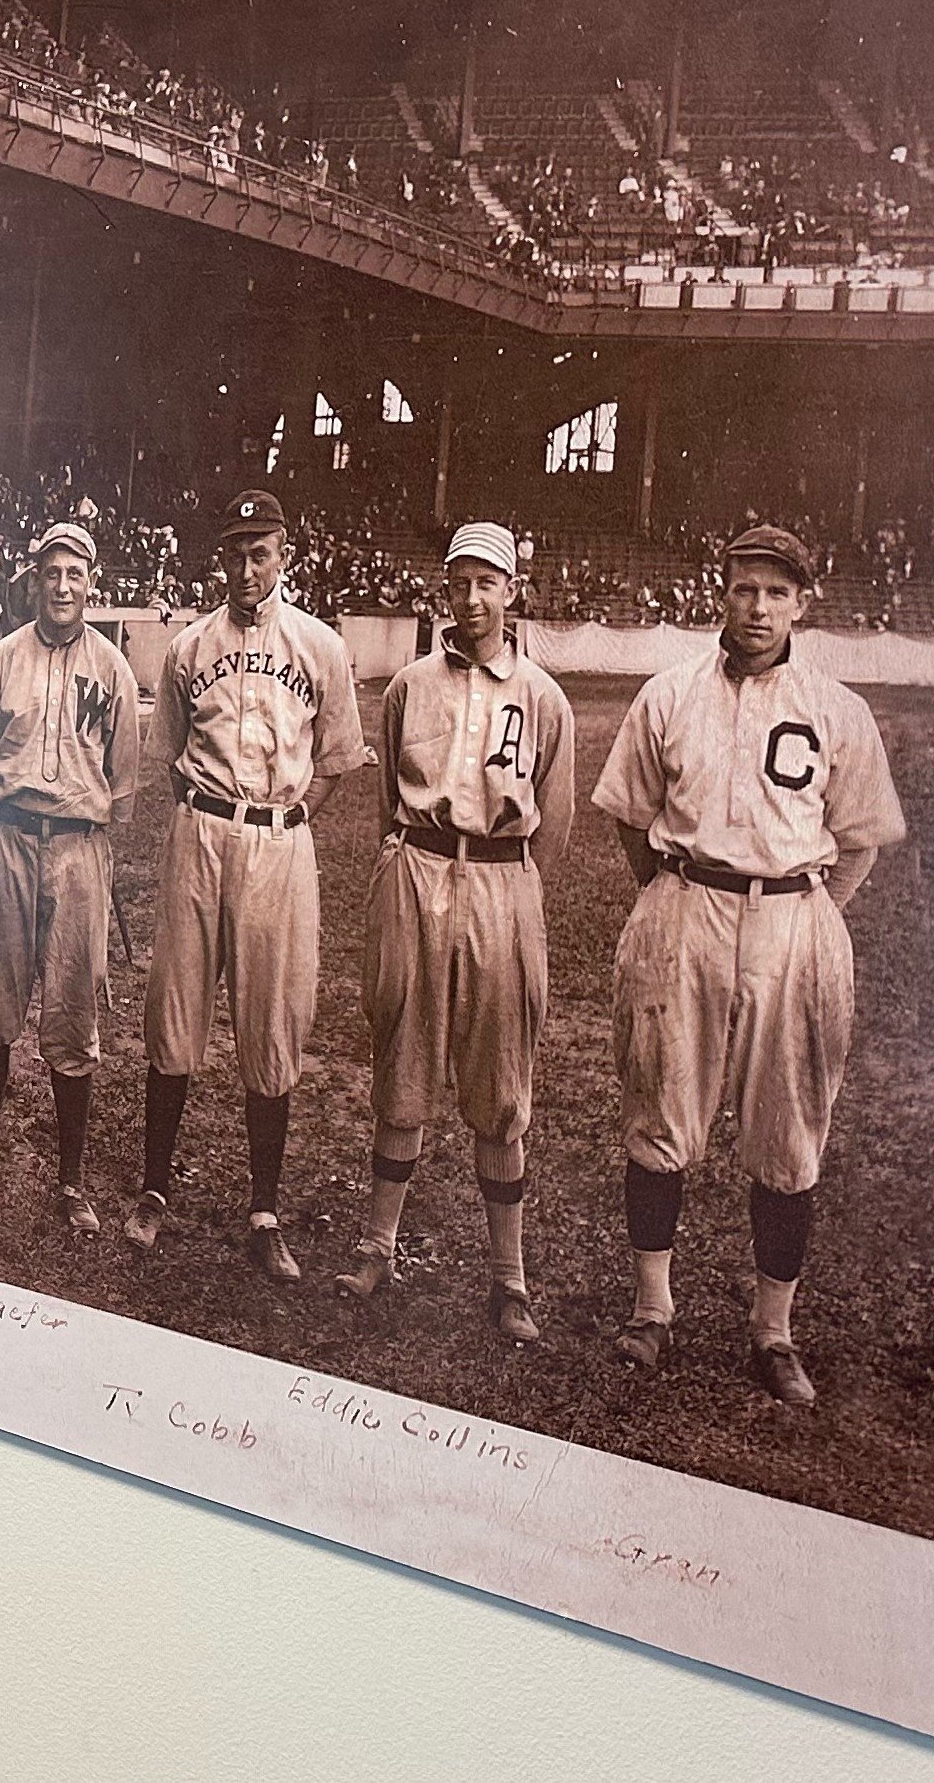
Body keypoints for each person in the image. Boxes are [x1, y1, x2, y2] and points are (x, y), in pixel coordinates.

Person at [591, 524, 906, 1405]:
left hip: (792, 922)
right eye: (744, 589)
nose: (757, 607)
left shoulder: (837, 707)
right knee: (660, 1109)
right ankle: (652, 1310)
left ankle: (774, 1330)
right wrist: (670, 896)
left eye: (776, 592)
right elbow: (630, 814)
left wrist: (805, 915)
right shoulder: (670, 694)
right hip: (686, 907)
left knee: (788, 1132)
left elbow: (859, 840)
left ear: (802, 602)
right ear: (719, 593)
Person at [336, 522, 575, 1341]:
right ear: (445, 588)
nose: (472, 600)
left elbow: (558, 820)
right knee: (402, 1054)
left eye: (488, 583)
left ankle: (509, 1277)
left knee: (502, 1077)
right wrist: (412, 865)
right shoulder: (409, 684)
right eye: (460, 582)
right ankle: (378, 1243)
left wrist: (506, 879)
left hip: (504, 879)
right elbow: (384, 810)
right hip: (417, 866)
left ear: (512, 592)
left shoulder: (543, 696)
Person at [126, 488, 365, 1280]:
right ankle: (155, 1189)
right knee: (176, 1007)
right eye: (234, 550)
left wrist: (289, 818)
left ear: (284, 554)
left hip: (278, 840)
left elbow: (335, 761)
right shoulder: (191, 644)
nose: (246, 564)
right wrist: (209, 816)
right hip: (201, 830)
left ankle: (265, 1209)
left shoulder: (321, 645)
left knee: (272, 1020)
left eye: (260, 550)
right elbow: (166, 754)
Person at [0, 521, 140, 1224]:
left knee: (71, 1014)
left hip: (77, 848)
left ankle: (70, 1182)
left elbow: (124, 779)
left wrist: (82, 834)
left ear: (91, 581)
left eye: (75, 574)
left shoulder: (115, 667)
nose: (62, 587)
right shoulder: (2, 659)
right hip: (8, 838)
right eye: (51, 573)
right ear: (34, 579)